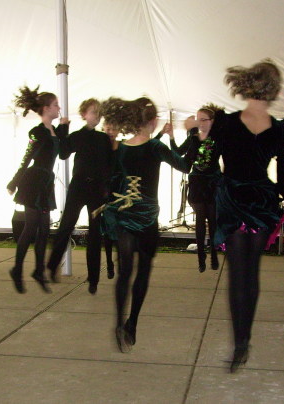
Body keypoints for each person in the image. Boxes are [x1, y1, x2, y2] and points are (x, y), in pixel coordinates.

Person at [208, 59, 284, 372]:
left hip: (233, 201)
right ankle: (244, 338)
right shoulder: (283, 130)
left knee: (238, 275)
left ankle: (240, 343)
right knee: (252, 272)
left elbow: (206, 162)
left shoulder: (224, 123)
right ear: (274, 91)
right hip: (263, 203)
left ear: (246, 85)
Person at [96, 96, 197, 353]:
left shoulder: (120, 148)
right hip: (146, 219)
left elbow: (111, 180)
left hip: (123, 216)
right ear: (152, 121)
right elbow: (185, 166)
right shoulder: (155, 147)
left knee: (124, 272)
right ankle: (132, 324)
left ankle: (119, 321)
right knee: (143, 272)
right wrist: (194, 135)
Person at [46, 98, 113, 294]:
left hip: (97, 191)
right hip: (78, 187)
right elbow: (63, 152)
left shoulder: (103, 139)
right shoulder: (78, 135)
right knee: (66, 225)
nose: (97, 115)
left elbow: (110, 165)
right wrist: (63, 128)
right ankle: (52, 266)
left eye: (99, 112)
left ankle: (93, 279)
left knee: (95, 234)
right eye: (93, 112)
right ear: (84, 114)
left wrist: (107, 190)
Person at [7, 85, 69, 293]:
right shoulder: (37, 132)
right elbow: (27, 158)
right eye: (55, 105)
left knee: (44, 231)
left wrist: (63, 129)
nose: (58, 108)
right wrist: (14, 182)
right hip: (33, 183)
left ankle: (38, 271)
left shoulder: (53, 132)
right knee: (31, 228)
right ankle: (17, 269)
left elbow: (61, 155)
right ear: (45, 108)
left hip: (46, 183)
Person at [162, 104, 223, 272]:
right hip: (197, 182)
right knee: (200, 221)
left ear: (212, 121)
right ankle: (201, 257)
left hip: (213, 183)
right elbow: (177, 152)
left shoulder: (218, 138)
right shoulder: (193, 138)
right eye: (198, 119)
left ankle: (214, 254)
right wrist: (172, 136)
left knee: (213, 220)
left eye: (204, 119)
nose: (200, 123)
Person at [102, 121, 121, 279]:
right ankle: (109, 263)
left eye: (113, 128)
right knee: (108, 232)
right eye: (107, 128)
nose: (110, 131)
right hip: (106, 193)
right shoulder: (100, 147)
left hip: (122, 192)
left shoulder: (123, 147)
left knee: (123, 230)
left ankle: (121, 261)